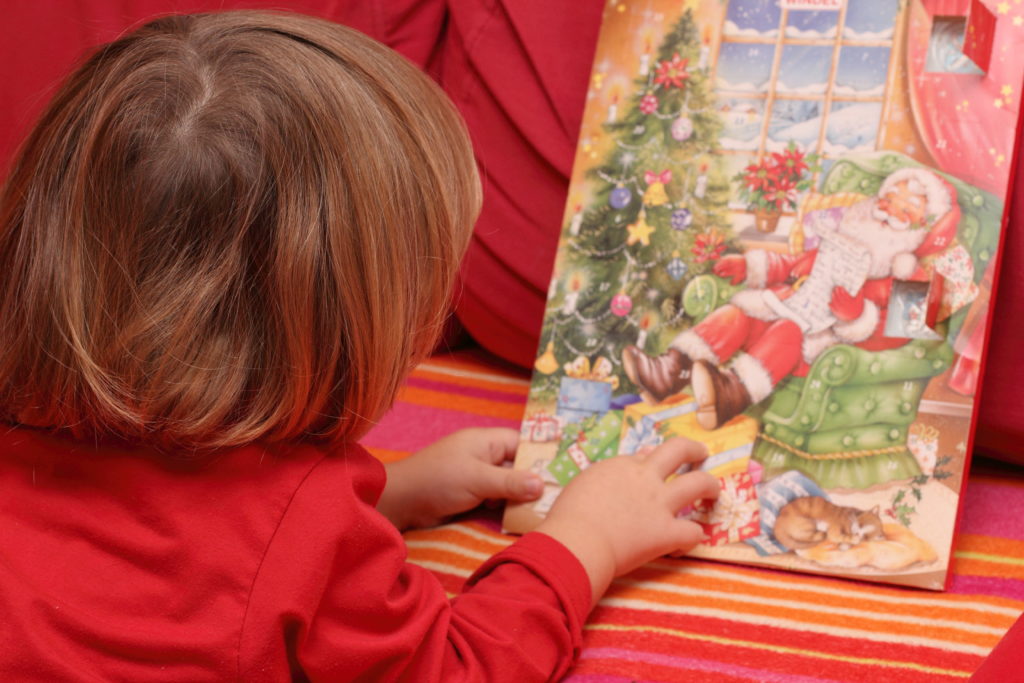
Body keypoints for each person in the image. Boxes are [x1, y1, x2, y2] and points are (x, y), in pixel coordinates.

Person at [0, 11, 720, 681]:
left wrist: (394, 491)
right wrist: (584, 541)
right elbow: (461, 667)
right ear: (350, 331)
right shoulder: (307, 529)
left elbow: (176, 544)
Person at [622, 166, 961, 430]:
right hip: (789, 307)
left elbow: (902, 336)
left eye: (908, 208)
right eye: (890, 198)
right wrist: (750, 265)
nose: (889, 211)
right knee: (736, 314)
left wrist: (856, 317)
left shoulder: (916, 276)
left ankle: (730, 394)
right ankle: (671, 370)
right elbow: (796, 265)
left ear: (923, 227)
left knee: (786, 330)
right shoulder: (848, 240)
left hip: (818, 343)